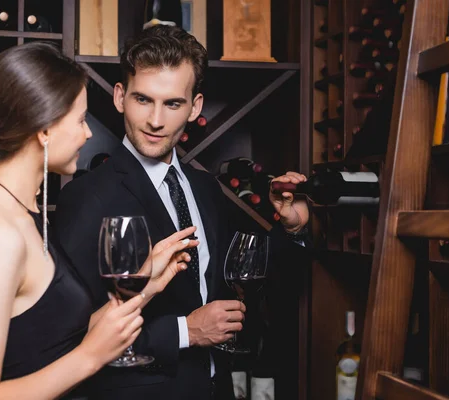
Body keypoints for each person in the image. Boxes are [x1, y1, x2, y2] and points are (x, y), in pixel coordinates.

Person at [54, 25, 310, 400]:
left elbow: (245, 279)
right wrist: (186, 332)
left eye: (173, 103)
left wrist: (291, 230)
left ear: (196, 107)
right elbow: (73, 339)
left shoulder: (204, 188)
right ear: (120, 97)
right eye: (143, 100)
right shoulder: (86, 197)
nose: (156, 120)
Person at [0, 42, 198, 400]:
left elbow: (46, 341)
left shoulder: (19, 210)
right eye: (80, 120)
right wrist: (90, 358)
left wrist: (145, 282)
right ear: (44, 130)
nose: (88, 134)